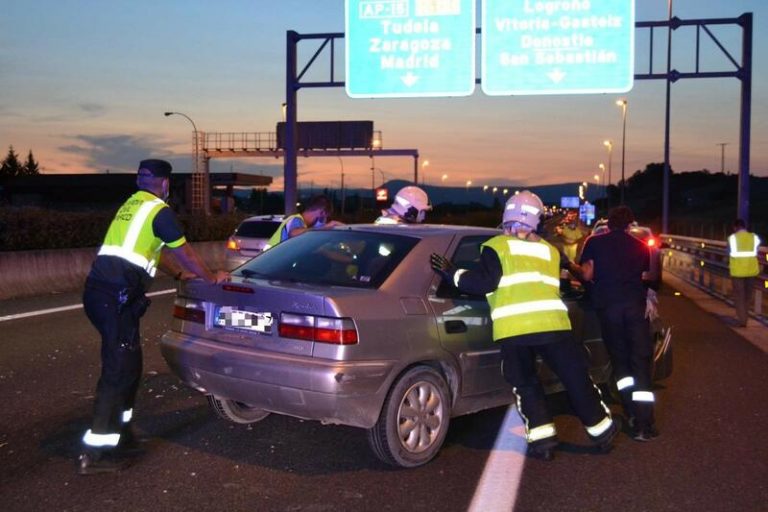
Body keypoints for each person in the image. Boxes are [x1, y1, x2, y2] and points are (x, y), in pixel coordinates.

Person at [430, 190, 617, 461]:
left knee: (526, 384)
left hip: (515, 330)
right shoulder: (550, 251)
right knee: (576, 379)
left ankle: (543, 442)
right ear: (537, 221)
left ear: (506, 217)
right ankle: (603, 433)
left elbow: (483, 284)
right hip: (553, 326)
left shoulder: (498, 247)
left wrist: (451, 272)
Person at [78, 159, 229, 475]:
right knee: (119, 371)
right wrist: (210, 275)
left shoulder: (133, 205)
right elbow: (183, 249)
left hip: (106, 294)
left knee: (130, 368)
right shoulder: (158, 210)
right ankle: (97, 454)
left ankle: (121, 435)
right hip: (113, 296)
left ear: (140, 180)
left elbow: (155, 252)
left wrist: (178, 275)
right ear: (166, 184)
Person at [579, 205, 658, 442]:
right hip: (635, 310)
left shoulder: (594, 242)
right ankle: (644, 424)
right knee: (640, 361)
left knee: (620, 363)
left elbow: (587, 275)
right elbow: (646, 277)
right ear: (629, 224)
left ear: (608, 223)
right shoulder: (640, 246)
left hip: (609, 310)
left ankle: (630, 411)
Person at [265, 194, 341, 249]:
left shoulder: (303, 226)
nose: (325, 221)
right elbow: (293, 233)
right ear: (322, 213)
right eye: (326, 218)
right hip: (268, 265)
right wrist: (324, 227)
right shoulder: (296, 220)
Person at [728, 218, 761, 327]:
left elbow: (729, 252)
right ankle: (744, 317)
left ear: (735, 227)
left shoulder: (732, 238)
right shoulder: (754, 237)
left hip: (737, 272)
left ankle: (742, 320)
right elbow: (757, 250)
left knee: (739, 296)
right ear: (745, 226)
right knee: (747, 296)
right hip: (751, 271)